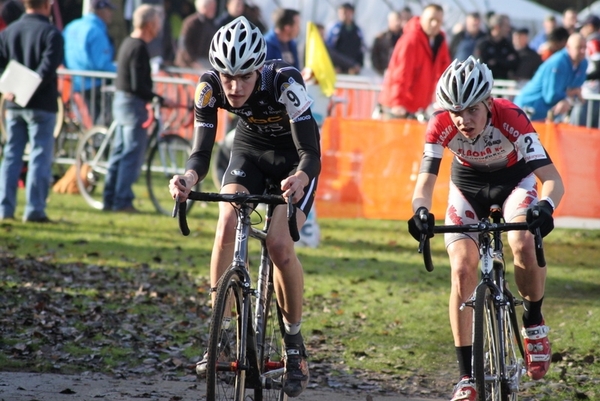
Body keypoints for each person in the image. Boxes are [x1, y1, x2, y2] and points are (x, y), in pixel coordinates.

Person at [169, 16, 320, 398]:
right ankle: (219, 333)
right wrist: (187, 179)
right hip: (250, 152)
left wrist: (301, 178)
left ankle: (294, 345)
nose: (234, 87)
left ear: (258, 70)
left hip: (295, 160)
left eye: (244, 78)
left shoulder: (285, 81)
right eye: (227, 77)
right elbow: (201, 153)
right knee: (225, 221)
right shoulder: (208, 87)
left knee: (279, 245)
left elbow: (311, 153)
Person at [408, 56, 564, 401]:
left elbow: (552, 180)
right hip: (467, 186)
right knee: (463, 268)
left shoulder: (512, 118)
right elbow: (424, 183)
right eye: (455, 111)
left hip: (514, 182)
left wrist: (545, 206)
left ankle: (534, 323)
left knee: (523, 240)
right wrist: (420, 210)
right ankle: (465, 377)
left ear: (489, 103)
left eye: (472, 110)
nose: (463, 120)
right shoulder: (439, 125)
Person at [103, 4, 173, 213]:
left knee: (119, 151)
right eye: (158, 22)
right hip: (132, 105)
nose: (159, 27)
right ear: (150, 24)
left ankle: (110, 198)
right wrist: (157, 97)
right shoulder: (139, 47)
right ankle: (122, 200)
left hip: (123, 102)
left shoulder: (127, 42)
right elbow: (137, 85)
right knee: (131, 154)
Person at [0, 0, 63, 223]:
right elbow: (47, 68)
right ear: (47, 5)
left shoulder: (9, 31)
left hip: (14, 102)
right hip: (41, 104)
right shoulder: (51, 33)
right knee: (39, 156)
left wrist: (8, 86)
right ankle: (34, 209)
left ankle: (5, 208)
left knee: (11, 155)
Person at [377, 3, 450, 119]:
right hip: (399, 109)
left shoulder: (440, 41)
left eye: (438, 21)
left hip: (418, 108)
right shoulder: (411, 40)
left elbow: (445, 73)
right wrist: (397, 103)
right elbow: (401, 73)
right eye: (431, 19)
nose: (434, 24)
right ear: (422, 18)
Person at [62, 0, 117, 125]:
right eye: (109, 10)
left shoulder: (71, 26)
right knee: (101, 125)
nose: (111, 14)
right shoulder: (96, 30)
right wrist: (122, 71)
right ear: (100, 10)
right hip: (95, 85)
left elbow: (62, 56)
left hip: (75, 83)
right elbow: (102, 63)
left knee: (87, 124)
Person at [514, 33, 587, 122]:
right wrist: (568, 97)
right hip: (528, 108)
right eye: (579, 47)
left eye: (584, 47)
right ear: (568, 47)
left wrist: (569, 97)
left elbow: (576, 89)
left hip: (546, 114)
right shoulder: (558, 63)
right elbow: (551, 96)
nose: (583, 51)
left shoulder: (583, 63)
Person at [570, 15, 600, 128]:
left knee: (578, 128)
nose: (581, 30)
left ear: (590, 27)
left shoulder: (593, 43)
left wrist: (580, 78)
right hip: (590, 94)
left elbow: (598, 69)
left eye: (584, 27)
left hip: (590, 93)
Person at [473, 13, 518, 80]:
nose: (508, 29)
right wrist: (503, 61)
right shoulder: (483, 44)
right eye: (506, 26)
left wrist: (496, 61)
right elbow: (480, 65)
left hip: (504, 85)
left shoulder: (508, 45)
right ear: (497, 27)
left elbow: (515, 64)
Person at [173, 0, 216, 69]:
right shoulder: (191, 22)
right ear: (203, 7)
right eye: (211, 7)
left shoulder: (212, 24)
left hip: (203, 61)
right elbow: (183, 44)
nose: (214, 9)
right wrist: (193, 61)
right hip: (187, 64)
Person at [325, 2, 365, 74]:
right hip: (337, 69)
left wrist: (358, 65)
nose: (344, 15)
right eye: (341, 12)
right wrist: (333, 66)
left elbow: (361, 50)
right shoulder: (334, 29)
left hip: (353, 69)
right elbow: (329, 50)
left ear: (352, 13)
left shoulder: (357, 31)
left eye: (346, 12)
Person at [370, 10, 404, 76]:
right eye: (395, 20)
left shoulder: (404, 37)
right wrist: (382, 71)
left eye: (399, 20)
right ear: (389, 22)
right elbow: (374, 56)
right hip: (384, 74)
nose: (397, 23)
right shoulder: (381, 38)